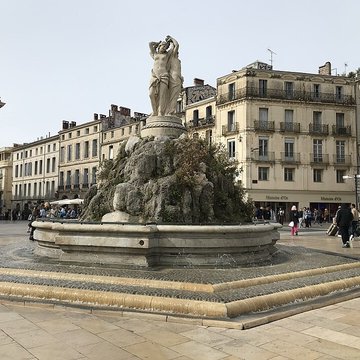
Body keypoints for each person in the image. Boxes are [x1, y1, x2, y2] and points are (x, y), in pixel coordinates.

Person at [149, 35, 181, 117]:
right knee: (151, 94)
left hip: (164, 75)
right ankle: (154, 111)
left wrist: (171, 39)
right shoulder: (154, 54)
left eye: (165, 47)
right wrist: (157, 43)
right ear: (159, 47)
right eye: (163, 46)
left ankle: (160, 112)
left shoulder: (167, 55)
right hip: (154, 75)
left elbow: (176, 45)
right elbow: (150, 44)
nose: (164, 48)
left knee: (162, 95)